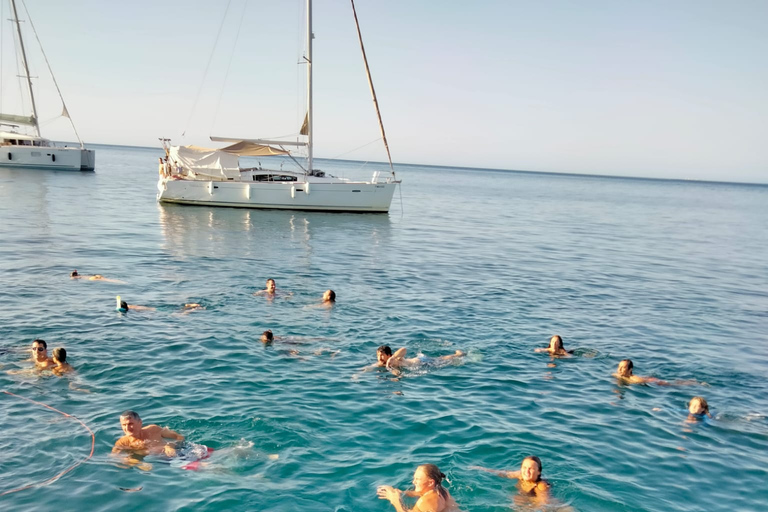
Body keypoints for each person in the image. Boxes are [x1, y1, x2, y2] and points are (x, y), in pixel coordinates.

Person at [112, 410, 185, 471]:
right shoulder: (122, 443)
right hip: (163, 463)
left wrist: (170, 445)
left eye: (130, 424)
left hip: (182, 452)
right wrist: (138, 463)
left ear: (140, 423)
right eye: (124, 425)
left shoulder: (153, 429)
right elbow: (114, 457)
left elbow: (179, 437)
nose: (127, 428)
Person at [377, 463, 460, 512]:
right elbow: (423, 493)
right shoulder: (443, 491)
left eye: (418, 479)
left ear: (431, 482)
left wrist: (394, 500)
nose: (414, 482)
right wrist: (401, 492)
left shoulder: (424, 502)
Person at [471, 456, 551, 505]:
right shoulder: (520, 475)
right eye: (524, 467)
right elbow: (502, 473)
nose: (526, 471)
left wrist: (525, 500)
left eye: (531, 469)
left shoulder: (541, 486)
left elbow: (544, 504)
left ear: (538, 472)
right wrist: (482, 469)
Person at [376, 345, 465, 370]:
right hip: (418, 361)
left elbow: (404, 349)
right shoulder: (382, 363)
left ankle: (458, 354)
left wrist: (393, 357)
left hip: (422, 361)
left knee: (440, 360)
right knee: (440, 359)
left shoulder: (395, 359)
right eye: (378, 355)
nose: (379, 357)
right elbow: (371, 367)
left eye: (382, 355)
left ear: (388, 355)